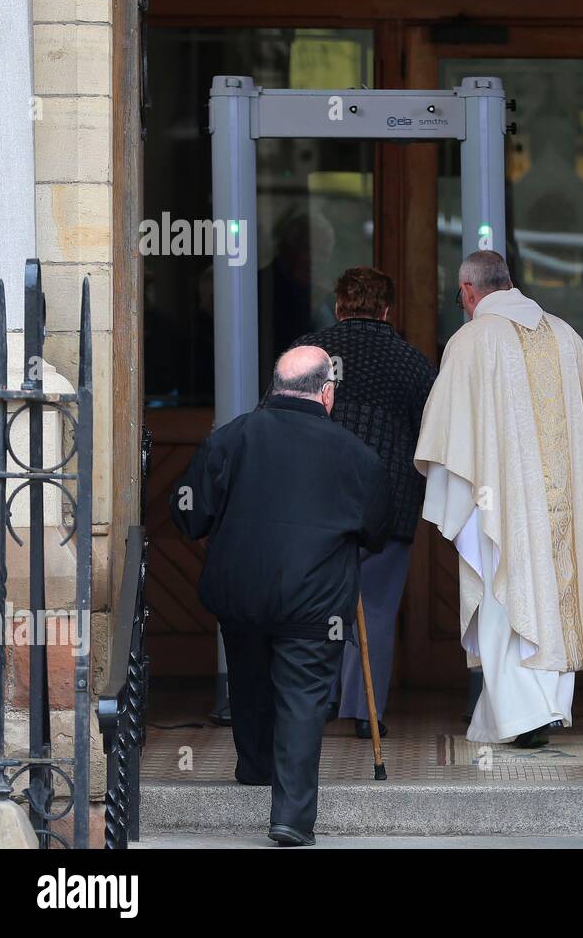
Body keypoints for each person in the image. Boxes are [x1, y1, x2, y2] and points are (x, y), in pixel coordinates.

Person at [170, 346, 389, 845]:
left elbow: (188, 513)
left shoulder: (228, 440)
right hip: (316, 604)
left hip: (240, 593)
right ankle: (290, 817)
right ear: (327, 393)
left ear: (274, 387)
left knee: (247, 675)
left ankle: (253, 767)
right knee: (303, 698)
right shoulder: (358, 456)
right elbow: (376, 533)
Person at [414, 251, 583, 748]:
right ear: (508, 282)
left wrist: (453, 491)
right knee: (554, 596)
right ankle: (547, 706)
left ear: (468, 291)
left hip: (499, 506)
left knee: (501, 592)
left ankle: (519, 717)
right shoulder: (568, 337)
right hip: (563, 504)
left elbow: (446, 432)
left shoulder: (471, 341)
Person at [294, 267, 438, 738]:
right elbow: (434, 432)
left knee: (316, 606)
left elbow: (278, 416)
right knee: (375, 608)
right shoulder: (411, 363)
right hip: (388, 500)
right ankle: (365, 712)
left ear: (338, 306)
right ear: (386, 310)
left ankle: (316, 701)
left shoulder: (308, 354)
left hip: (318, 500)